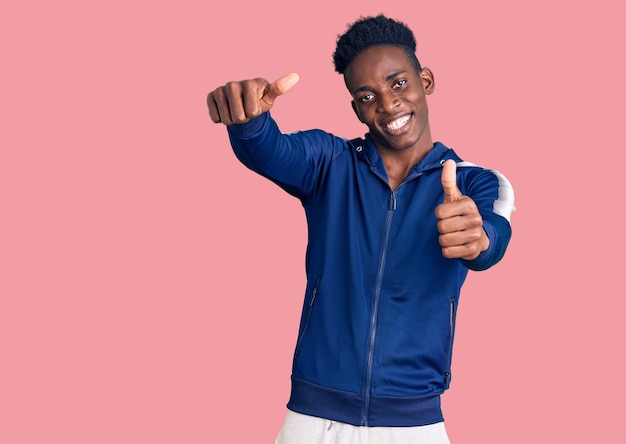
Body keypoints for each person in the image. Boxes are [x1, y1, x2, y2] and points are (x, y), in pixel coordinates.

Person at [207, 14, 514, 444]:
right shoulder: (329, 163)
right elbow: (270, 151)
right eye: (367, 95)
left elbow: (492, 236)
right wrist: (249, 122)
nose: (387, 105)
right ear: (356, 107)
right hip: (313, 420)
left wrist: (478, 238)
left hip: (414, 424)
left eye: (399, 83)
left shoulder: (473, 181)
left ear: (425, 80)